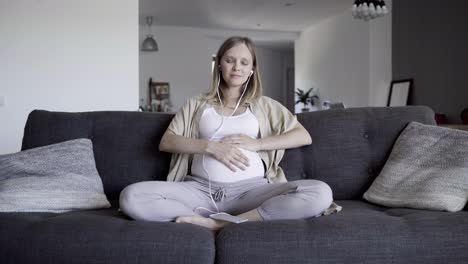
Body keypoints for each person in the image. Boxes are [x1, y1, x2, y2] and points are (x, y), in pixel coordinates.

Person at [120, 36, 334, 231]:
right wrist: (211, 147)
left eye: (244, 62)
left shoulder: (265, 105)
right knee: (131, 197)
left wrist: (258, 144)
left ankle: (220, 223)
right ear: (219, 64)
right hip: (199, 191)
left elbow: (302, 135)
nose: (236, 67)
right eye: (230, 60)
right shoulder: (197, 104)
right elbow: (167, 141)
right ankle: (196, 217)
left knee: (320, 192)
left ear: (252, 69)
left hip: (251, 193)